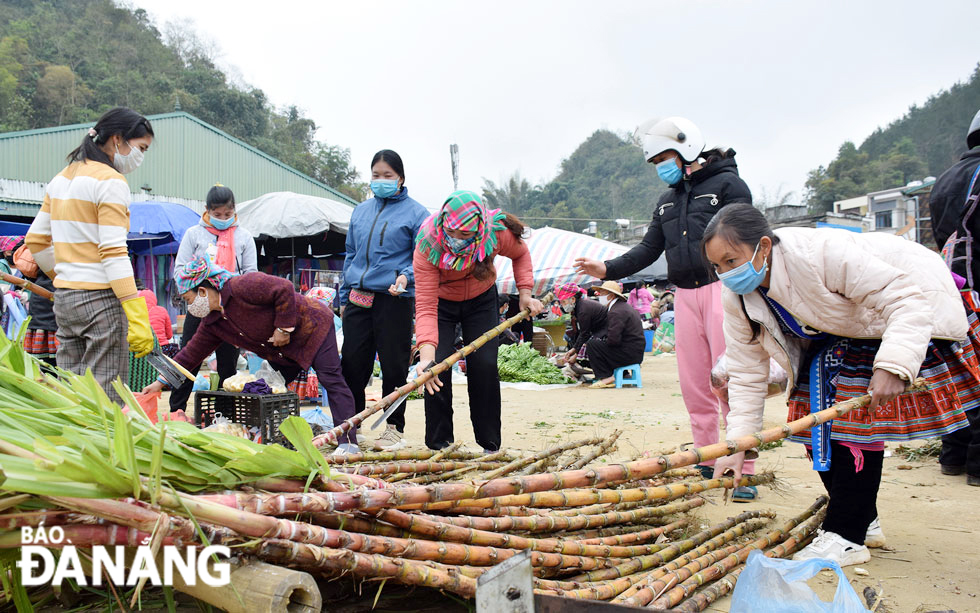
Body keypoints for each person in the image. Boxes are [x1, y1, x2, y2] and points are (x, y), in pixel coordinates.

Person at [705, 204, 979, 566]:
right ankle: (863, 519)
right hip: (841, 330)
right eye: (717, 266)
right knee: (809, 419)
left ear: (765, 246)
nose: (726, 273)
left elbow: (905, 299)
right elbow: (745, 372)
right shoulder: (738, 295)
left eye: (731, 260)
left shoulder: (821, 255)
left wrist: (894, 364)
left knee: (853, 422)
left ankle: (846, 535)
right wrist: (737, 445)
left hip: (907, 306)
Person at [575, 116, 756, 494]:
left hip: (723, 291)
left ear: (687, 148)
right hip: (685, 295)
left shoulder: (728, 186)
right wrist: (607, 267)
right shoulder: (667, 203)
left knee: (732, 380)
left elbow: (748, 235)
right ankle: (708, 461)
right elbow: (647, 250)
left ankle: (745, 466)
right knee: (695, 384)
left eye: (664, 159)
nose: (661, 168)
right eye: (656, 162)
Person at [142, 257, 359, 449]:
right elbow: (189, 355)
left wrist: (283, 327)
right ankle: (276, 437)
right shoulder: (213, 323)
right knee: (267, 390)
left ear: (202, 291)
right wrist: (160, 382)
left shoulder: (240, 286)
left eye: (189, 300)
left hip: (313, 327)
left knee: (331, 379)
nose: (190, 307)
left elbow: (283, 288)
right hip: (283, 352)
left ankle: (348, 442)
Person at [25, 106, 155, 403]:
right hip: (100, 302)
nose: (141, 157)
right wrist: (134, 309)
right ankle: (108, 449)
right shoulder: (110, 181)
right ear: (118, 139)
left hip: (66, 301)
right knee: (106, 398)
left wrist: (65, 276)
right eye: (141, 148)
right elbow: (113, 251)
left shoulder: (61, 178)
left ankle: (73, 447)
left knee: (74, 391)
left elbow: (36, 240)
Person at [414, 190, 543, 452]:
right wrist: (425, 356)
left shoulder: (495, 234)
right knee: (435, 369)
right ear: (443, 225)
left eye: (465, 236)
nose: (457, 240)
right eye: (452, 233)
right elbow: (426, 305)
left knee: (484, 366)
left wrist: (525, 294)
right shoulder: (427, 245)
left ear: (478, 230)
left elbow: (521, 255)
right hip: (441, 304)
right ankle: (440, 446)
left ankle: (489, 445)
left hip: (481, 300)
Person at [340, 150, 429, 451]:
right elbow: (350, 254)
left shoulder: (418, 215)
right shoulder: (360, 211)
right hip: (358, 298)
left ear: (401, 178)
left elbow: (422, 257)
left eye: (387, 176)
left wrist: (405, 276)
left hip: (394, 298)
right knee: (352, 364)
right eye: (375, 175)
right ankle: (351, 425)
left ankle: (394, 428)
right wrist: (343, 295)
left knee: (393, 366)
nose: (380, 181)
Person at [170, 184, 257, 413]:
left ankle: (224, 415)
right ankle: (176, 410)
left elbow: (251, 275)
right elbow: (179, 270)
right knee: (189, 359)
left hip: (231, 308)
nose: (222, 219)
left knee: (228, 364)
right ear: (206, 210)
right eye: (217, 215)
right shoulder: (194, 234)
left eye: (227, 214)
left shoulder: (244, 237)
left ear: (234, 210)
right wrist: (191, 297)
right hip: (199, 303)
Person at [928, 108, 980, 486]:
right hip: (977, 282)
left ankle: (953, 455)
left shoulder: (946, 177)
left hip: (952, 283)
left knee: (960, 372)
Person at [583, 281, 645, 388]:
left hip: (629, 354)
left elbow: (614, 340)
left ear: (611, 296)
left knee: (592, 345)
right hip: (635, 352)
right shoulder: (622, 307)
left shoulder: (616, 311)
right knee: (599, 344)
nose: (599, 296)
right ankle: (623, 375)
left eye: (602, 293)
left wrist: (600, 342)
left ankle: (606, 377)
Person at [12, 243, 58, 367]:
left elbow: (18, 250)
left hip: (43, 296)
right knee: (52, 363)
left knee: (46, 364)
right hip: (51, 299)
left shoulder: (45, 236)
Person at [557, 282, 607, 370]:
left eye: (564, 302)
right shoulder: (580, 307)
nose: (562, 305)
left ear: (572, 299)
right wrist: (574, 350)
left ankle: (602, 374)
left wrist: (575, 352)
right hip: (600, 332)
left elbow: (585, 333)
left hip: (605, 334)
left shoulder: (583, 310)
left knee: (588, 347)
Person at [139, 289, 176, 355]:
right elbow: (169, 335)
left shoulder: (137, 314)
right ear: (154, 299)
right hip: (164, 349)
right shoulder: (162, 310)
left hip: (146, 351)